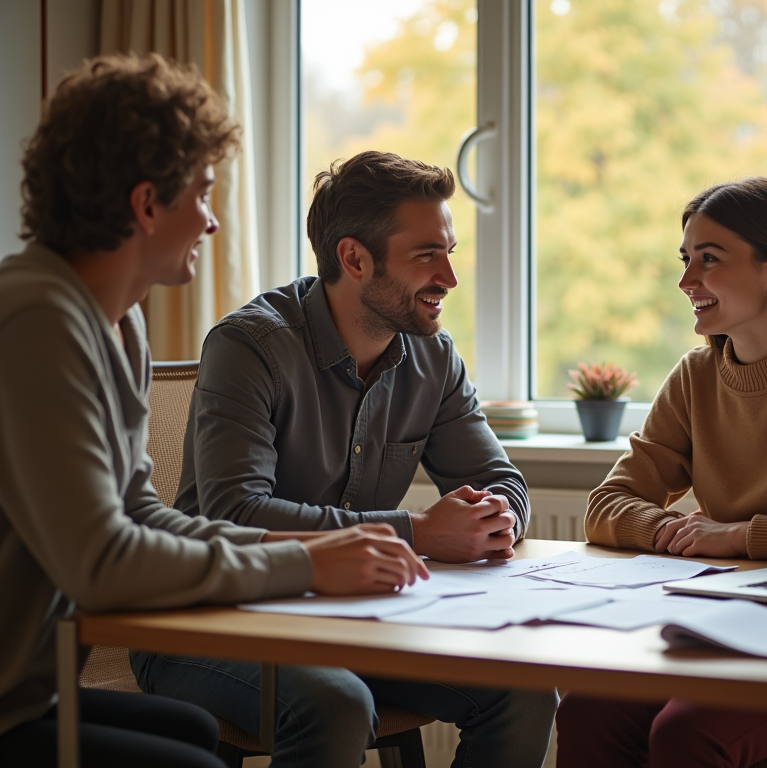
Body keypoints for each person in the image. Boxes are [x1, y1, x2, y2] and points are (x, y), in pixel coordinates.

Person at [0, 55, 427, 768]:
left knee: (190, 735)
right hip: (16, 704)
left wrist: (310, 551)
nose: (211, 220)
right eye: (200, 194)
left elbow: (138, 512)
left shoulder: (117, 324)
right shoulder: (37, 320)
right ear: (145, 205)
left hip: (28, 693)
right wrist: (302, 567)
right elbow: (101, 563)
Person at [129, 150, 559, 768]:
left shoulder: (432, 357)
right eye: (426, 256)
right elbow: (235, 511)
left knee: (522, 686)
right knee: (336, 704)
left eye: (449, 253)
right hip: (212, 620)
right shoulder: (250, 346)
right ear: (354, 258)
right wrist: (416, 532)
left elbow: (498, 478)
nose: (449, 278)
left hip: (352, 619)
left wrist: (495, 516)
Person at [555, 177, 767, 768]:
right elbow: (606, 506)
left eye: (708, 261)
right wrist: (677, 532)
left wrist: (736, 535)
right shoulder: (696, 375)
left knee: (686, 734)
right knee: (588, 708)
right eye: (685, 260)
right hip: (725, 628)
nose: (687, 281)